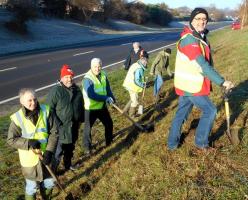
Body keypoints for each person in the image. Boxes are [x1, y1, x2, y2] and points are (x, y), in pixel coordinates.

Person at [167, 8, 234, 151]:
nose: (202, 21)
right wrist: (222, 81)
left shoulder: (199, 37)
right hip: (191, 85)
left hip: (186, 84)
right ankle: (201, 143)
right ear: (191, 20)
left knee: (181, 114)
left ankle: (172, 144)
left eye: (204, 19)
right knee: (210, 111)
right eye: (198, 18)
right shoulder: (189, 40)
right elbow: (202, 65)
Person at [7, 88, 58, 200]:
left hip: (46, 156)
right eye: (29, 100)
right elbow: (11, 139)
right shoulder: (17, 118)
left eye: (34, 99)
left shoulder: (46, 111)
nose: (33, 103)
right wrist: (28, 142)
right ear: (22, 101)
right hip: (30, 161)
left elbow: (54, 132)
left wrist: (49, 151)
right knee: (32, 187)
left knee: (49, 183)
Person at [46, 64, 84, 173]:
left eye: (71, 76)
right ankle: (53, 172)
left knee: (70, 148)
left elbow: (81, 105)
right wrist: (57, 123)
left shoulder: (77, 90)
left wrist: (81, 119)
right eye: (66, 77)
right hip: (60, 128)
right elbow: (49, 110)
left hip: (73, 126)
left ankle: (68, 165)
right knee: (58, 151)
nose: (69, 79)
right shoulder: (56, 91)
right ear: (62, 78)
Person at [82, 58, 115, 155]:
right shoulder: (87, 79)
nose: (97, 68)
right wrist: (105, 98)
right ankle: (87, 148)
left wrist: (112, 98)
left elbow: (108, 89)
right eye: (95, 66)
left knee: (109, 123)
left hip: (102, 107)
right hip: (90, 109)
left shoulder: (103, 75)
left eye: (99, 66)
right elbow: (91, 95)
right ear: (91, 66)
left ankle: (109, 142)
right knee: (88, 129)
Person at [123, 50, 149, 117]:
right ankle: (131, 115)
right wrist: (142, 85)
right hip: (131, 85)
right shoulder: (139, 68)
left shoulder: (136, 64)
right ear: (143, 60)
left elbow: (139, 77)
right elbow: (137, 80)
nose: (147, 63)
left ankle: (124, 111)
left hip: (129, 84)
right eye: (146, 61)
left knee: (133, 98)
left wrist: (143, 81)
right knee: (135, 101)